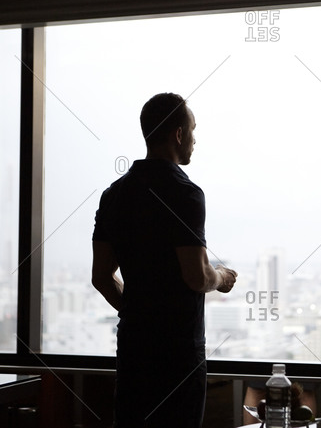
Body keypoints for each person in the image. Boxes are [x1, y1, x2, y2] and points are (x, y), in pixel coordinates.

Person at [91, 92, 237, 428]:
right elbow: (197, 277)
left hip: (133, 349)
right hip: (178, 354)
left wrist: (137, 312)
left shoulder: (114, 194)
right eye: (193, 131)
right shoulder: (185, 193)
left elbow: (101, 276)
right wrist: (223, 276)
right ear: (179, 134)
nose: (195, 140)